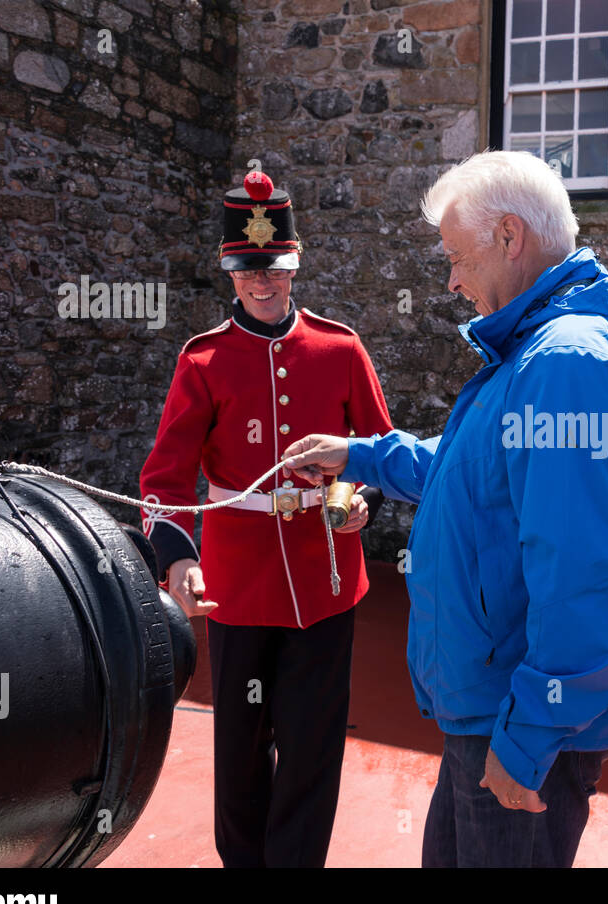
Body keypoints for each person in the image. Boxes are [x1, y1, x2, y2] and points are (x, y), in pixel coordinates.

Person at [281, 150, 608, 868]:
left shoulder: (563, 363)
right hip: (498, 711)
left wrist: (526, 741)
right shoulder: (539, 353)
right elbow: (472, 476)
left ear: (510, 237)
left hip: (517, 725)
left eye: (457, 257)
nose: (452, 280)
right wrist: (359, 455)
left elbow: (584, 575)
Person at [138, 169, 393, 867]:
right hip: (240, 588)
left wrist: (353, 500)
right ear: (230, 271)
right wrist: (179, 557)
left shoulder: (341, 348)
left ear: (294, 263)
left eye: (274, 267)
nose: (263, 282)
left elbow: (377, 451)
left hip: (325, 584)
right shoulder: (203, 360)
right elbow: (163, 479)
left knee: (313, 749)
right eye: (249, 268)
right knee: (242, 753)